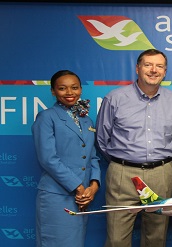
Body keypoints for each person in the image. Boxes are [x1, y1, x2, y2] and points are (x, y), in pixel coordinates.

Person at [96, 49, 172, 247]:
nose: (153, 70)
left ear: (165, 71)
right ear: (137, 68)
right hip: (123, 174)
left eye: (159, 66)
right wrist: (123, 164)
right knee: (116, 239)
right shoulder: (115, 98)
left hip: (161, 174)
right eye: (148, 65)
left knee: (156, 237)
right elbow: (102, 140)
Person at [32, 70, 101, 247]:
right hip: (57, 196)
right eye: (62, 88)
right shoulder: (46, 117)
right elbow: (48, 159)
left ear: (80, 90)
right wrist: (78, 187)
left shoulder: (86, 120)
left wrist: (93, 186)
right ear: (53, 91)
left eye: (74, 87)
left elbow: (92, 156)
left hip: (83, 197)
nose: (69, 93)